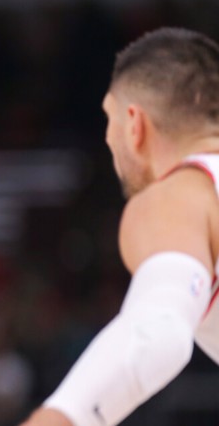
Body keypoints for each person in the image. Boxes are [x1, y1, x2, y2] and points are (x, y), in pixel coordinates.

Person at [22, 27, 219, 426]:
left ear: (134, 124)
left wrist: (58, 418)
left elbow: (158, 334)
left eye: (108, 120)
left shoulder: (180, 193)